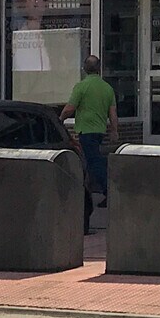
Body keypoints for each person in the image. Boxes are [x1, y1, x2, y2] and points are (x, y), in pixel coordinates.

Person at [60, 55, 117, 209]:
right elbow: (112, 113)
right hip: (99, 130)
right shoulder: (107, 88)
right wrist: (114, 131)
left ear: (85, 68)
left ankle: (108, 192)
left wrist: (60, 120)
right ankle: (91, 190)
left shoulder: (81, 86)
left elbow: (70, 108)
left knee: (94, 162)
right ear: (99, 68)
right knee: (94, 160)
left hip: (86, 130)